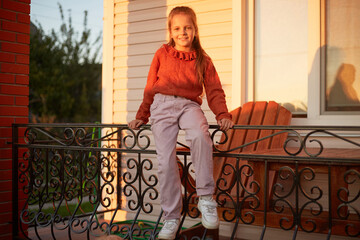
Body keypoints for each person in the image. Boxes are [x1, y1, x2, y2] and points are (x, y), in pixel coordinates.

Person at [128, 6, 233, 240]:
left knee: (199, 135)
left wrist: (223, 115)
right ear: (170, 30)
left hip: (189, 106)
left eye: (187, 27)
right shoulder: (162, 53)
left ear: (195, 30)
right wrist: (141, 116)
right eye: (177, 28)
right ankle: (171, 217)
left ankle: (206, 198)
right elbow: (149, 87)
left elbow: (214, 90)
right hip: (162, 107)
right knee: (166, 161)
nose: (182, 32)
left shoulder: (203, 59)